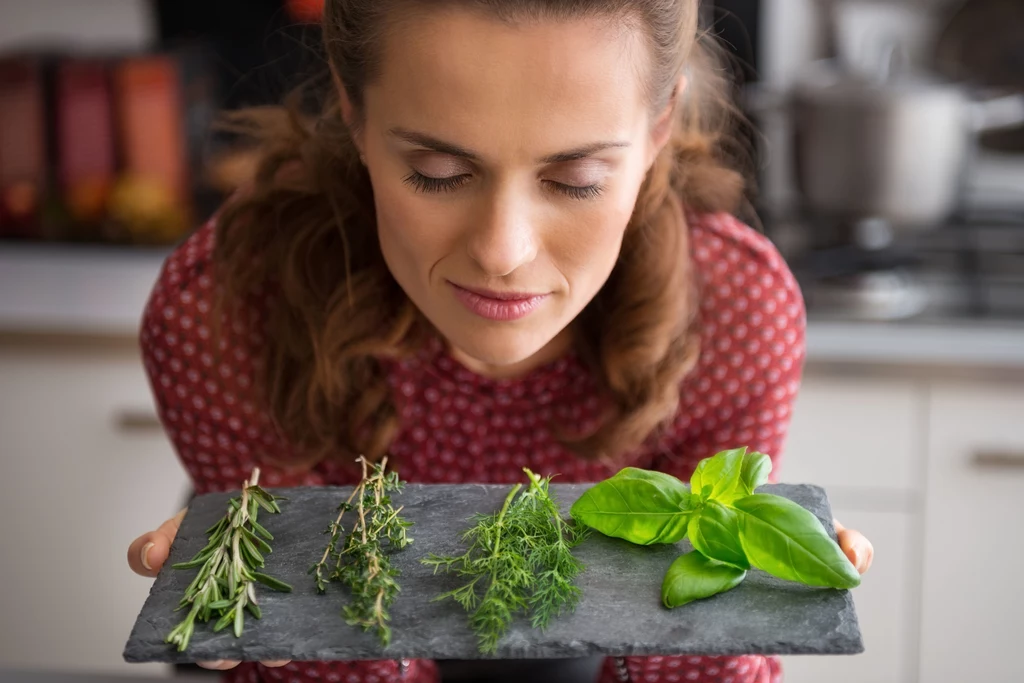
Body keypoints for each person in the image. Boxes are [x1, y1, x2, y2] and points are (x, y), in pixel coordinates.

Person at [126, 1, 875, 682]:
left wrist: (754, 570)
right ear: (352, 108)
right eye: (439, 172)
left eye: (576, 178)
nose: (502, 251)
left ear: (658, 128)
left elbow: (688, 657)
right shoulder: (224, 309)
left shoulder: (734, 312)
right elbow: (333, 659)